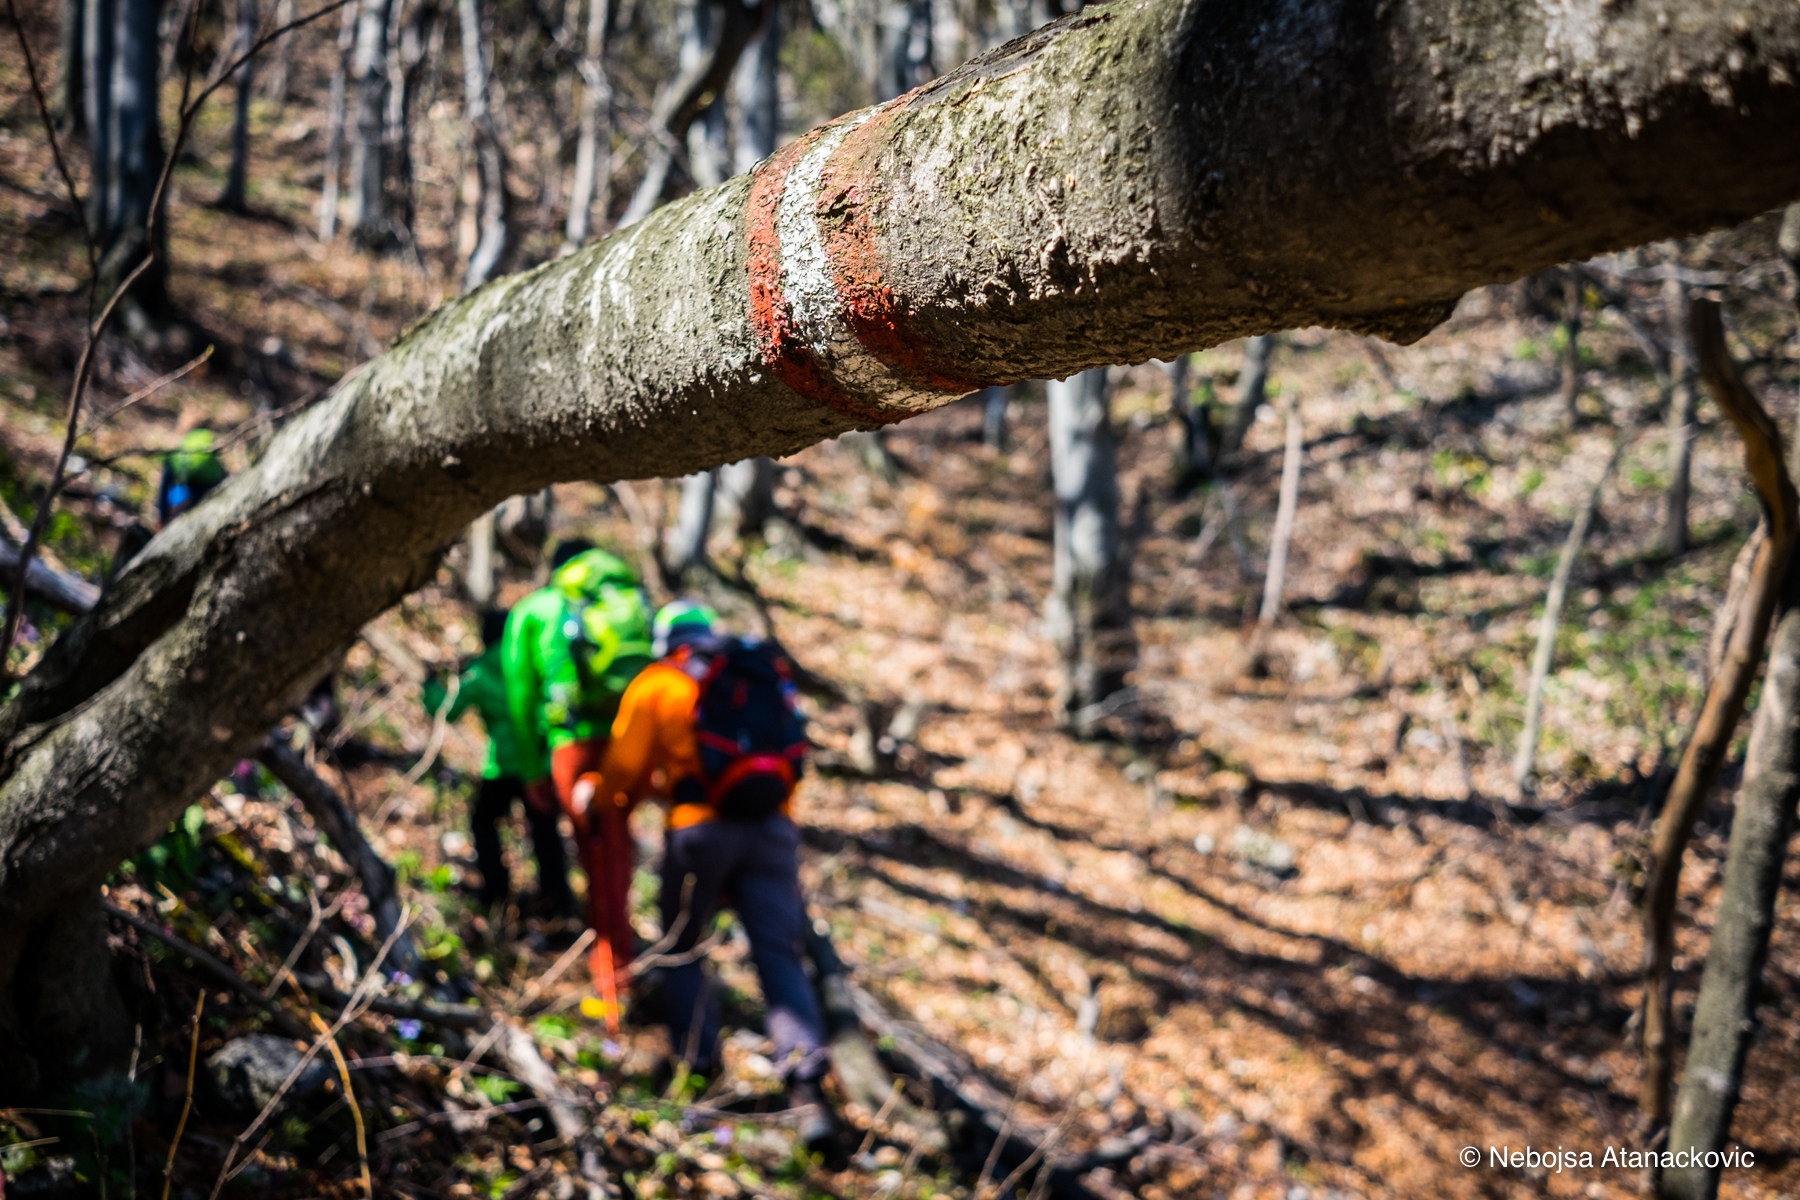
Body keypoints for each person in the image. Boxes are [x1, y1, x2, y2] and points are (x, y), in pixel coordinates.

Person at [576, 602, 835, 1141]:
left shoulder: (659, 683)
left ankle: (700, 1070)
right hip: (774, 831)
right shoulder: (756, 673)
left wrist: (599, 794)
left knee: (685, 946)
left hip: (700, 833)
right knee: (778, 956)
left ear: (663, 640)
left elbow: (627, 768)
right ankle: (808, 1091)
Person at [504, 540, 653, 1011]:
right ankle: (620, 964)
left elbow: (521, 695)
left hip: (572, 742)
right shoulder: (623, 600)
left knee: (594, 856)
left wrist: (533, 770)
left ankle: (611, 985)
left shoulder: (537, 608)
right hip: (624, 739)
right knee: (614, 852)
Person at [423, 608, 574, 915]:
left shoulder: (480, 670)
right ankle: (557, 898)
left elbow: (447, 709)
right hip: (537, 765)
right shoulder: (530, 661)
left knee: (483, 823)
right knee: (545, 829)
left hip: (502, 767)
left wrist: (429, 684)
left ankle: (496, 892)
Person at [156, 428, 228, 526]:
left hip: (193, 483)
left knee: (181, 498)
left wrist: (162, 516)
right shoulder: (206, 445)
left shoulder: (178, 454)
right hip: (208, 481)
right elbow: (221, 472)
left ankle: (172, 519)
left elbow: (164, 485)